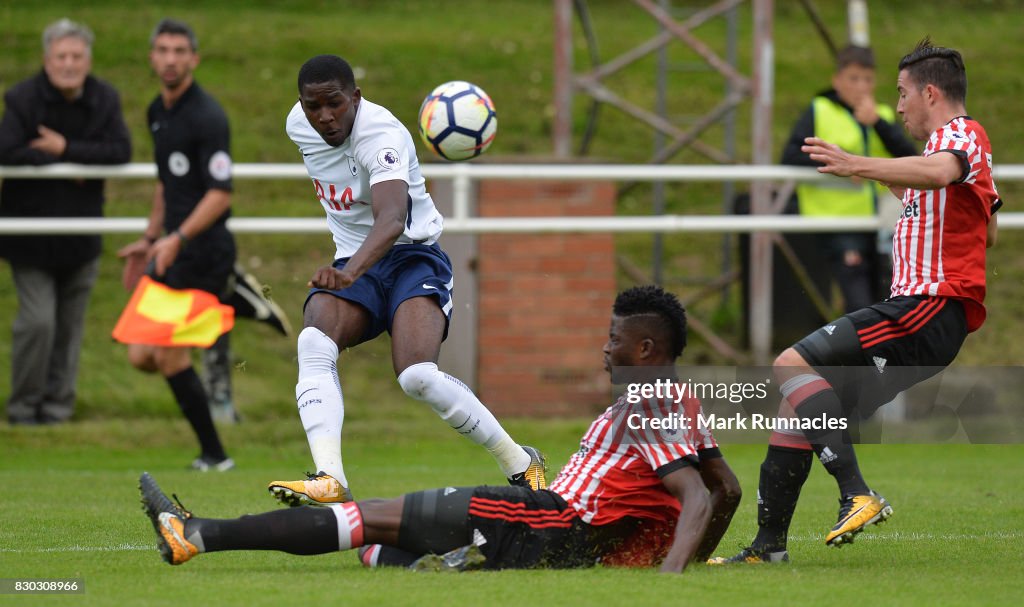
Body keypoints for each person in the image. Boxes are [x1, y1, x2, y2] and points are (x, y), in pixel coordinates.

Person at [141, 286, 741, 572]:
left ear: (645, 346)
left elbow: (694, 494)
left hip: (545, 518)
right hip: (552, 533)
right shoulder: (676, 400)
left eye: (613, 340)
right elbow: (728, 489)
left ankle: (198, 532)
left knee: (365, 518)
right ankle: (463, 564)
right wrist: (691, 560)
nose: (604, 350)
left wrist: (671, 578)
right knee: (380, 550)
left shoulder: (647, 403)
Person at [711, 38, 1000, 564]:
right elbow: (988, 224)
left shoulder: (962, 135)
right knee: (796, 407)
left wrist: (855, 163)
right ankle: (767, 549)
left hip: (927, 307)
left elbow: (940, 173)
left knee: (789, 363)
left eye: (902, 93)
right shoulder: (945, 157)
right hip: (932, 316)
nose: (898, 106)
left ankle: (856, 493)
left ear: (930, 92)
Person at [267, 54, 547, 504]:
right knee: (313, 342)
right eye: (312, 106)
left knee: (417, 375)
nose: (324, 117)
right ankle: (330, 479)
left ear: (355, 97)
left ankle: (520, 461)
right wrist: (351, 266)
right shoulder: (297, 125)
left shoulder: (382, 135)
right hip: (354, 261)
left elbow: (393, 218)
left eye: (334, 103)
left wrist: (349, 271)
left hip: (412, 259)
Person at [117, 18, 235, 470]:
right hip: (170, 249)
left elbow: (220, 192)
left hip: (203, 252)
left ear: (193, 59)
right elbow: (166, 185)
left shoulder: (208, 116)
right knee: (141, 355)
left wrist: (178, 238)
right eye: (162, 50)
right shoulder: (156, 111)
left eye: (179, 51)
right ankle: (237, 304)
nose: (170, 59)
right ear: (152, 57)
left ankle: (215, 455)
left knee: (168, 354)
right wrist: (151, 239)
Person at [0, 18, 131, 425]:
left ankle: (57, 412)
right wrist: (68, 161)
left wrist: (66, 148)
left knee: (69, 330)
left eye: (77, 56)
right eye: (62, 56)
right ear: (46, 59)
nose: (69, 64)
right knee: (37, 324)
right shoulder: (22, 98)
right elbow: (8, 151)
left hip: (81, 238)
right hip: (30, 238)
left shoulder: (105, 98)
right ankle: (23, 410)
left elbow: (120, 151)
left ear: (88, 61)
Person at [782, 45, 918, 313]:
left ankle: (873, 353)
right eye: (854, 79)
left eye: (867, 79)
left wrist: (877, 122)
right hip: (839, 221)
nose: (861, 87)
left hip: (884, 222)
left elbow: (910, 157)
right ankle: (859, 352)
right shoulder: (820, 110)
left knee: (886, 300)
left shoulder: (885, 115)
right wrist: (843, 167)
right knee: (859, 304)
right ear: (837, 80)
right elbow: (791, 155)